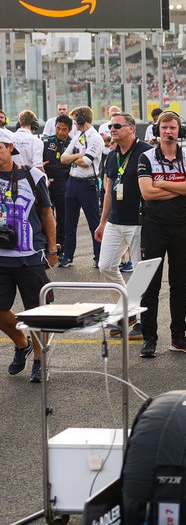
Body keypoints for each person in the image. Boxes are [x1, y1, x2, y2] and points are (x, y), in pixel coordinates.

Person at [136, 111, 186, 357]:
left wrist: (161, 183)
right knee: (150, 285)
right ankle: (149, 337)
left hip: (182, 226)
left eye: (173, 127)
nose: (168, 132)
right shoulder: (146, 157)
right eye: (164, 127)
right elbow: (147, 194)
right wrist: (179, 187)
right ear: (158, 130)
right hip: (154, 227)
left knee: (179, 284)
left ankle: (179, 336)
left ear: (179, 130)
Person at [0, 130, 57, 384]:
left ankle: (38, 359)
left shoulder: (32, 175)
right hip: (1, 257)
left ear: (9, 147)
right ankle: (21, 343)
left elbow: (46, 214)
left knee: (36, 311)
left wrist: (53, 250)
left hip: (30, 254)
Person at [96, 112, 151, 336]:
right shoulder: (111, 156)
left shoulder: (147, 152)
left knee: (140, 273)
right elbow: (109, 191)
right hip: (115, 221)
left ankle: (141, 321)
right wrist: (102, 222)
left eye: (117, 125)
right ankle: (125, 313)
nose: (112, 129)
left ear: (131, 129)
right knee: (106, 266)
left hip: (139, 221)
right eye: (111, 126)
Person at [58, 106, 105, 269]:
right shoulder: (77, 135)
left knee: (94, 223)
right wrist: (79, 155)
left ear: (82, 119)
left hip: (88, 184)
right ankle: (68, 256)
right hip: (72, 182)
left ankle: (99, 256)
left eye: (75, 119)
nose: (74, 123)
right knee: (69, 223)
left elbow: (87, 162)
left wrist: (77, 158)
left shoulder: (96, 138)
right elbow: (63, 159)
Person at [40, 115, 72, 253]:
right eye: (58, 128)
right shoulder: (45, 142)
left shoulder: (73, 144)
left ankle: (60, 246)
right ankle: (44, 244)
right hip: (46, 183)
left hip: (63, 184)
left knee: (63, 217)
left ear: (70, 130)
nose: (60, 132)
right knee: (44, 214)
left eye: (64, 129)